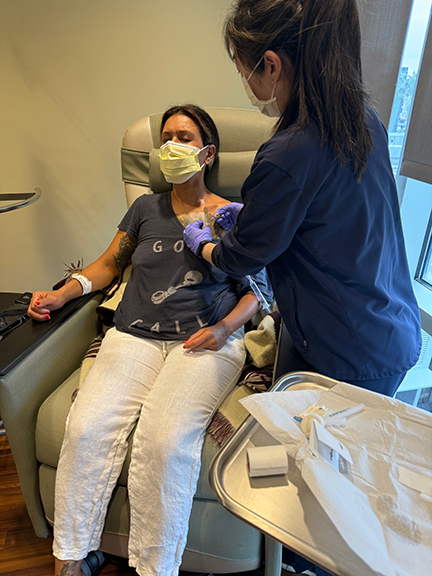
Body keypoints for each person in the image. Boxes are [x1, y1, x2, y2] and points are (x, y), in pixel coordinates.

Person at [182, 2, 422, 574]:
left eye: (244, 69)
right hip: (387, 323)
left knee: (328, 482)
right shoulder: (360, 118)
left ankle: (304, 561)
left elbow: (244, 257)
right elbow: (327, 213)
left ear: (270, 64)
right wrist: (257, 213)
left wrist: (205, 240)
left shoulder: (289, 152)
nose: (246, 83)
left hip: (346, 346)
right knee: (335, 458)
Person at [27, 104, 271, 576]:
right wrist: (63, 293)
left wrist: (223, 329)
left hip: (203, 340)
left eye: (183, 137)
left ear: (207, 153)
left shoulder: (231, 217)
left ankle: (155, 568)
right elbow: (108, 265)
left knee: (165, 440)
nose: (170, 146)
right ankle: (69, 559)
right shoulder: (144, 209)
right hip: (134, 335)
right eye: (165, 139)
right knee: (86, 428)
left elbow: (257, 293)